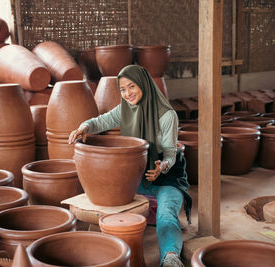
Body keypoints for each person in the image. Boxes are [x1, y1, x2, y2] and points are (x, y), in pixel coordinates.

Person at [68, 65, 191, 267]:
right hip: (138, 176)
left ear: (144, 84)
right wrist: (84, 126)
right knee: (111, 207)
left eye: (131, 86)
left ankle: (171, 257)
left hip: (168, 178)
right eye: (122, 89)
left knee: (166, 216)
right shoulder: (125, 109)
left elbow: (170, 153)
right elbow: (102, 121)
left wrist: (163, 166)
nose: (127, 94)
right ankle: (111, 256)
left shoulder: (167, 116)